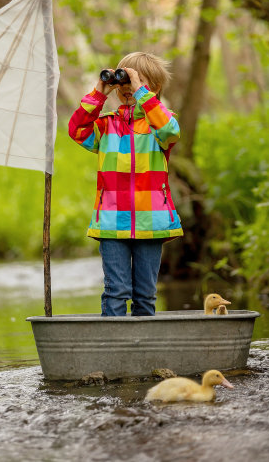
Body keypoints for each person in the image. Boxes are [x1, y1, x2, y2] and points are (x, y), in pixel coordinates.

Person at [68, 51, 183, 317]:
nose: (128, 89)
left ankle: (143, 353)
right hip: (111, 221)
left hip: (151, 221)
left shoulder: (160, 124)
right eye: (125, 82)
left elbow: (170, 131)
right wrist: (99, 93)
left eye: (135, 82)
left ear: (152, 88)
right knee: (116, 291)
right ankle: (111, 352)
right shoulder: (106, 125)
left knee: (145, 294)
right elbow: (77, 131)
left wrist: (142, 91)